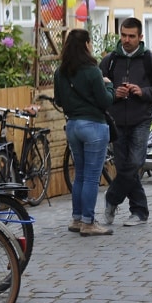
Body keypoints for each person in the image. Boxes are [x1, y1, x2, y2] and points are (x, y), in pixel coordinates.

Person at [54, 28, 115, 236]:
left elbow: (59, 101)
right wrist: (110, 86)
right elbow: (105, 101)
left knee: (79, 175)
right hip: (94, 126)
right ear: (86, 45)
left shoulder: (60, 72)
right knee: (91, 177)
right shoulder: (92, 70)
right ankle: (89, 222)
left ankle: (77, 218)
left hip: (72, 126)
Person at [100, 17, 152, 227]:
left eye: (131, 36)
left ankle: (111, 198)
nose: (126, 39)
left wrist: (143, 91)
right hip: (116, 121)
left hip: (141, 119)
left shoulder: (149, 60)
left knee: (135, 163)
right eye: (123, 35)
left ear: (140, 37)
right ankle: (139, 211)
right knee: (124, 166)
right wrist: (114, 93)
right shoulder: (110, 60)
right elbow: (98, 89)